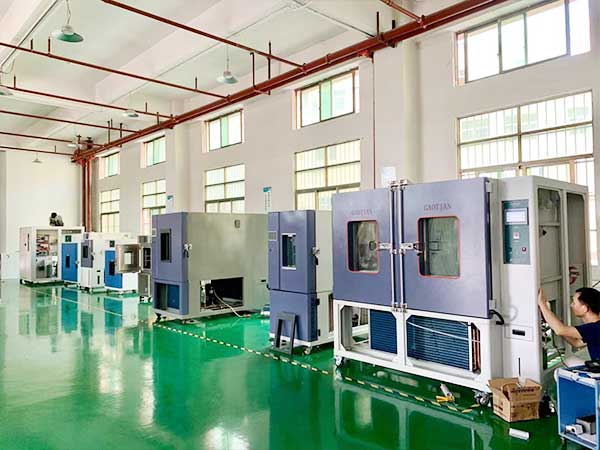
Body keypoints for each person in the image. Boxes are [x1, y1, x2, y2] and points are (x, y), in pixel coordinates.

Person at [538, 287, 600, 362]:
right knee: (570, 361)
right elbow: (576, 343)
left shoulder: (594, 328)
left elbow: (560, 330)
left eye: (574, 302)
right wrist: (552, 323)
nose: (571, 305)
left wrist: (542, 303)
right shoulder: (594, 328)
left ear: (585, 308)